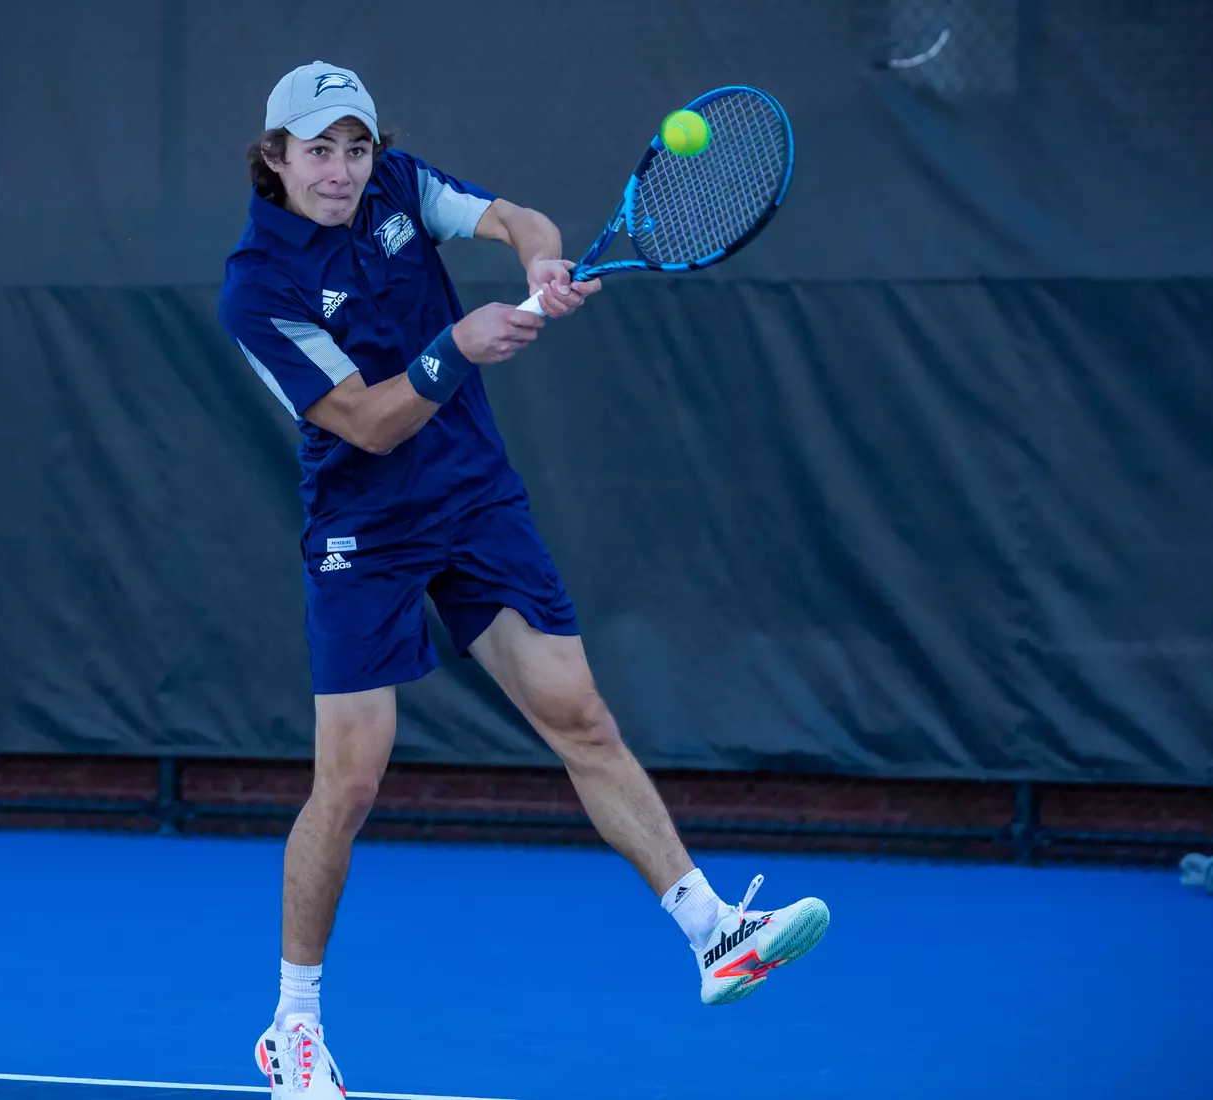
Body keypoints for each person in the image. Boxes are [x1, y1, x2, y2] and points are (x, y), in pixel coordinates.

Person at [217, 61, 830, 1098]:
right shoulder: (256, 287)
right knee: (353, 779)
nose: (341, 169)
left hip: (473, 498)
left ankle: (712, 928)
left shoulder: (400, 185)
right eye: (318, 149)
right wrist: (459, 345)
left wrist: (541, 263)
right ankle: (295, 1023)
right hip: (364, 523)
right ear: (275, 155)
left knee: (579, 716)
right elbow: (365, 422)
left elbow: (515, 217)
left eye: (354, 145)